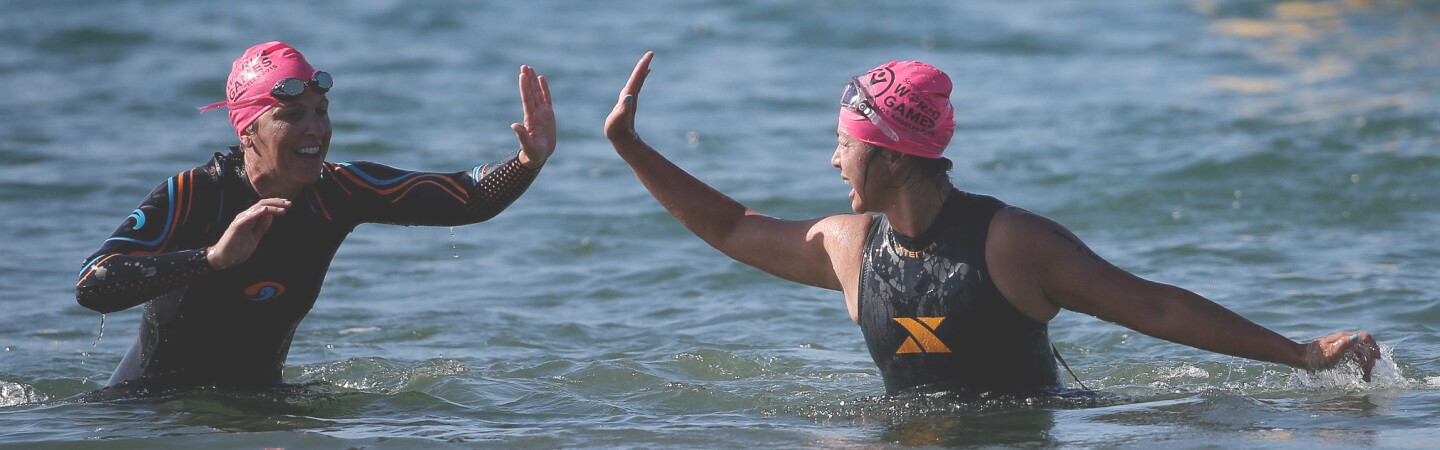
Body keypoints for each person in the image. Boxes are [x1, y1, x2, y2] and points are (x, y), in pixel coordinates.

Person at [603, 52, 1381, 397]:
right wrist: (631, 148)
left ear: (897, 158)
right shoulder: (849, 248)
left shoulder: (1011, 244)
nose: (833, 161)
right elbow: (734, 229)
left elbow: (1152, 307)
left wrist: (1300, 354)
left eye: (846, 144)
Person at [74, 41, 555, 391]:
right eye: (291, 116)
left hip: (263, 409)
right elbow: (94, 284)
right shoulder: (196, 194)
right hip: (152, 414)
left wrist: (528, 160)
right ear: (247, 131)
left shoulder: (337, 189)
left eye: (321, 110)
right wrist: (211, 258)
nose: (315, 129)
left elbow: (467, 197)